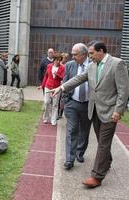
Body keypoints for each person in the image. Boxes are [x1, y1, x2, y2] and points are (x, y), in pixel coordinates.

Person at [51, 41, 129, 188]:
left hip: (110, 112)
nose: (90, 56)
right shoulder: (92, 66)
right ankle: (107, 161)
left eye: (92, 53)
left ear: (101, 51)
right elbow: (79, 78)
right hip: (94, 110)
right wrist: (62, 87)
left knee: (103, 144)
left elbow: (123, 90)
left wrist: (119, 110)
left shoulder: (117, 64)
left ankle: (97, 176)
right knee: (102, 141)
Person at [62, 44, 92, 170]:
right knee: (72, 129)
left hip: (88, 104)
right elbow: (65, 82)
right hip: (72, 103)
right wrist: (66, 100)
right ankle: (69, 159)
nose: (72, 56)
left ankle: (79, 153)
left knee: (84, 131)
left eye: (75, 54)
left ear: (84, 55)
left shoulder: (93, 65)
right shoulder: (69, 65)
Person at [38, 52, 65, 126]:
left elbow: (62, 78)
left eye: (60, 60)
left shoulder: (62, 67)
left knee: (55, 104)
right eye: (57, 60)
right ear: (54, 60)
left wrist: (57, 75)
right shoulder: (49, 66)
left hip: (57, 88)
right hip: (48, 86)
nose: (58, 62)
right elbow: (46, 77)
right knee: (46, 102)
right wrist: (42, 85)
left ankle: (53, 120)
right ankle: (46, 117)